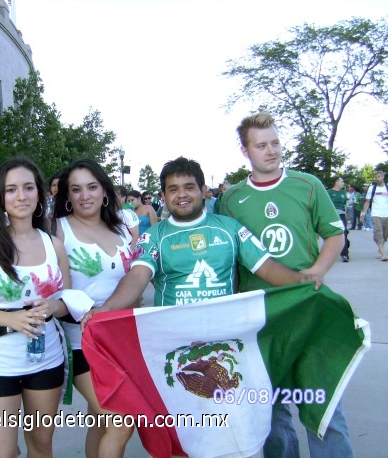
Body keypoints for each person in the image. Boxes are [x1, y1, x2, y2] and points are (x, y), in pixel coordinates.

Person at [219, 112, 350, 458]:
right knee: (272, 411)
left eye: (275, 142)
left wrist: (316, 272)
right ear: (246, 151)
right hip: (261, 318)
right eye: (261, 145)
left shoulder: (308, 185)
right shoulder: (230, 200)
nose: (271, 150)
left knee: (322, 401)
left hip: (307, 310)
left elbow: (335, 234)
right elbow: (230, 258)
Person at [81, 157, 319, 321]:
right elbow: (137, 277)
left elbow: (267, 267)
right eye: (173, 189)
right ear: (163, 196)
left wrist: (302, 280)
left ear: (204, 191)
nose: (181, 194)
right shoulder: (154, 236)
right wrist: (107, 309)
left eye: (189, 187)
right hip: (172, 338)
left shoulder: (230, 228)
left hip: (226, 335)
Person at [0, 157, 70, 457]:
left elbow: (67, 301)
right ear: (0, 197)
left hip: (46, 360)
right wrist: (14, 319)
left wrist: (52, 307)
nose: (21, 196)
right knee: (3, 452)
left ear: (40, 193)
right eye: (11, 189)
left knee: (41, 445)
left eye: (29, 188)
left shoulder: (53, 245)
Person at [54, 159, 139, 458]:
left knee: (99, 423)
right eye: (76, 189)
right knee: (120, 422)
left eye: (92, 187)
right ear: (67, 195)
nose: (85, 195)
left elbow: (134, 282)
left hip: (122, 342)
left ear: (105, 192)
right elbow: (57, 290)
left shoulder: (121, 230)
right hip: (81, 345)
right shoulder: (58, 230)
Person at [360, 170, 388, 261]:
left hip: (386, 214)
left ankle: (380, 250)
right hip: (375, 213)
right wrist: (363, 213)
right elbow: (367, 201)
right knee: (378, 232)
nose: (377, 179)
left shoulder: (387, 188)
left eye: (379, 177)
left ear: (383, 177)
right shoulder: (372, 188)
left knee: (384, 234)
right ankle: (383, 254)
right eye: (376, 177)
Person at [326, 176, 350, 262]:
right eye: (341, 181)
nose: (343, 183)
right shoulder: (328, 192)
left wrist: (346, 216)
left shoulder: (343, 193)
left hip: (341, 215)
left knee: (344, 233)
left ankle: (345, 254)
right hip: (332, 215)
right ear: (336, 182)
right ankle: (328, 254)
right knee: (331, 235)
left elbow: (344, 205)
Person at [115, 185, 140, 250]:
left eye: (115, 196)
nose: (112, 198)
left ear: (123, 198)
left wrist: (130, 252)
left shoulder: (129, 213)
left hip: (127, 250)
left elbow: (135, 236)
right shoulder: (107, 213)